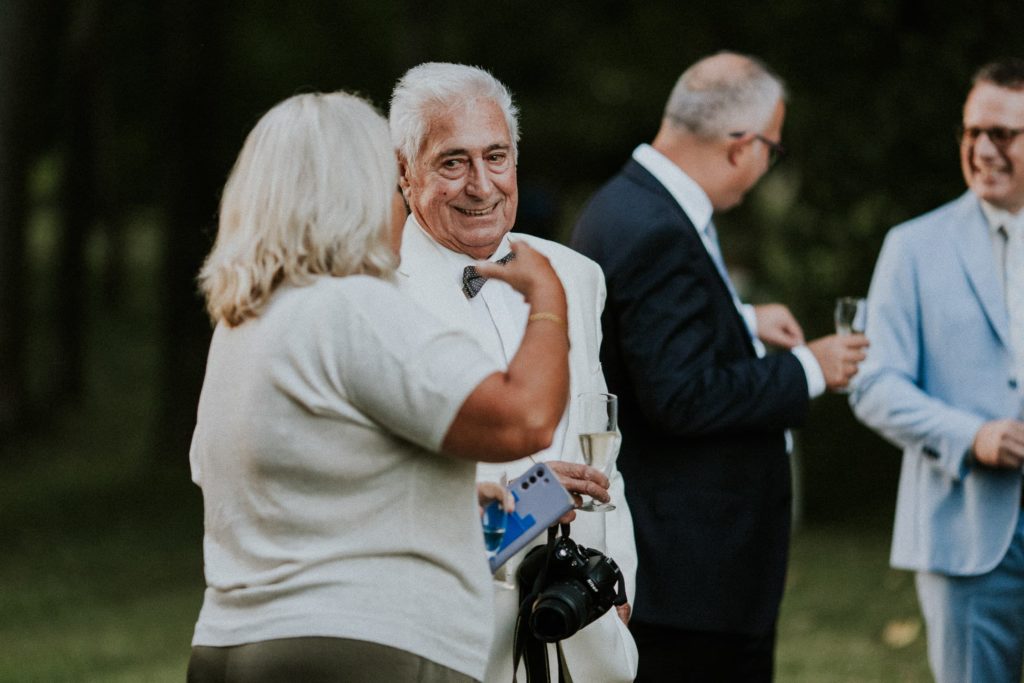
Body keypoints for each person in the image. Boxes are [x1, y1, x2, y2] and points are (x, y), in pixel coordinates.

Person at [186, 90, 583, 683]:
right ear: (361, 193)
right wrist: (548, 299)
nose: (399, 204)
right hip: (363, 646)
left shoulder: (245, 324)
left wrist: (429, 497)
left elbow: (286, 471)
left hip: (233, 641)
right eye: (394, 185)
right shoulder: (356, 306)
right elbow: (523, 420)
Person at [569, 51, 870, 681]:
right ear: (742, 145)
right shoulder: (658, 229)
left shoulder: (629, 205)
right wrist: (809, 369)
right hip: (690, 580)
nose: (767, 165)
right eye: (773, 150)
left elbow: (647, 339)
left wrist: (739, 317)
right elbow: (682, 395)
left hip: (684, 571)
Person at [389, 62, 639, 683]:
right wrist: (528, 499)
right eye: (453, 163)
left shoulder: (574, 275)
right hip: (453, 641)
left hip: (581, 632)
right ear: (405, 172)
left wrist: (618, 580)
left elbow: (601, 438)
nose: (481, 185)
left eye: (496, 157)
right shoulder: (373, 296)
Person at [850, 58, 1024, 683]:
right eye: (972, 132)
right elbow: (873, 383)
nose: (982, 149)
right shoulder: (913, 246)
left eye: (1002, 134)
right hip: (966, 532)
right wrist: (970, 436)